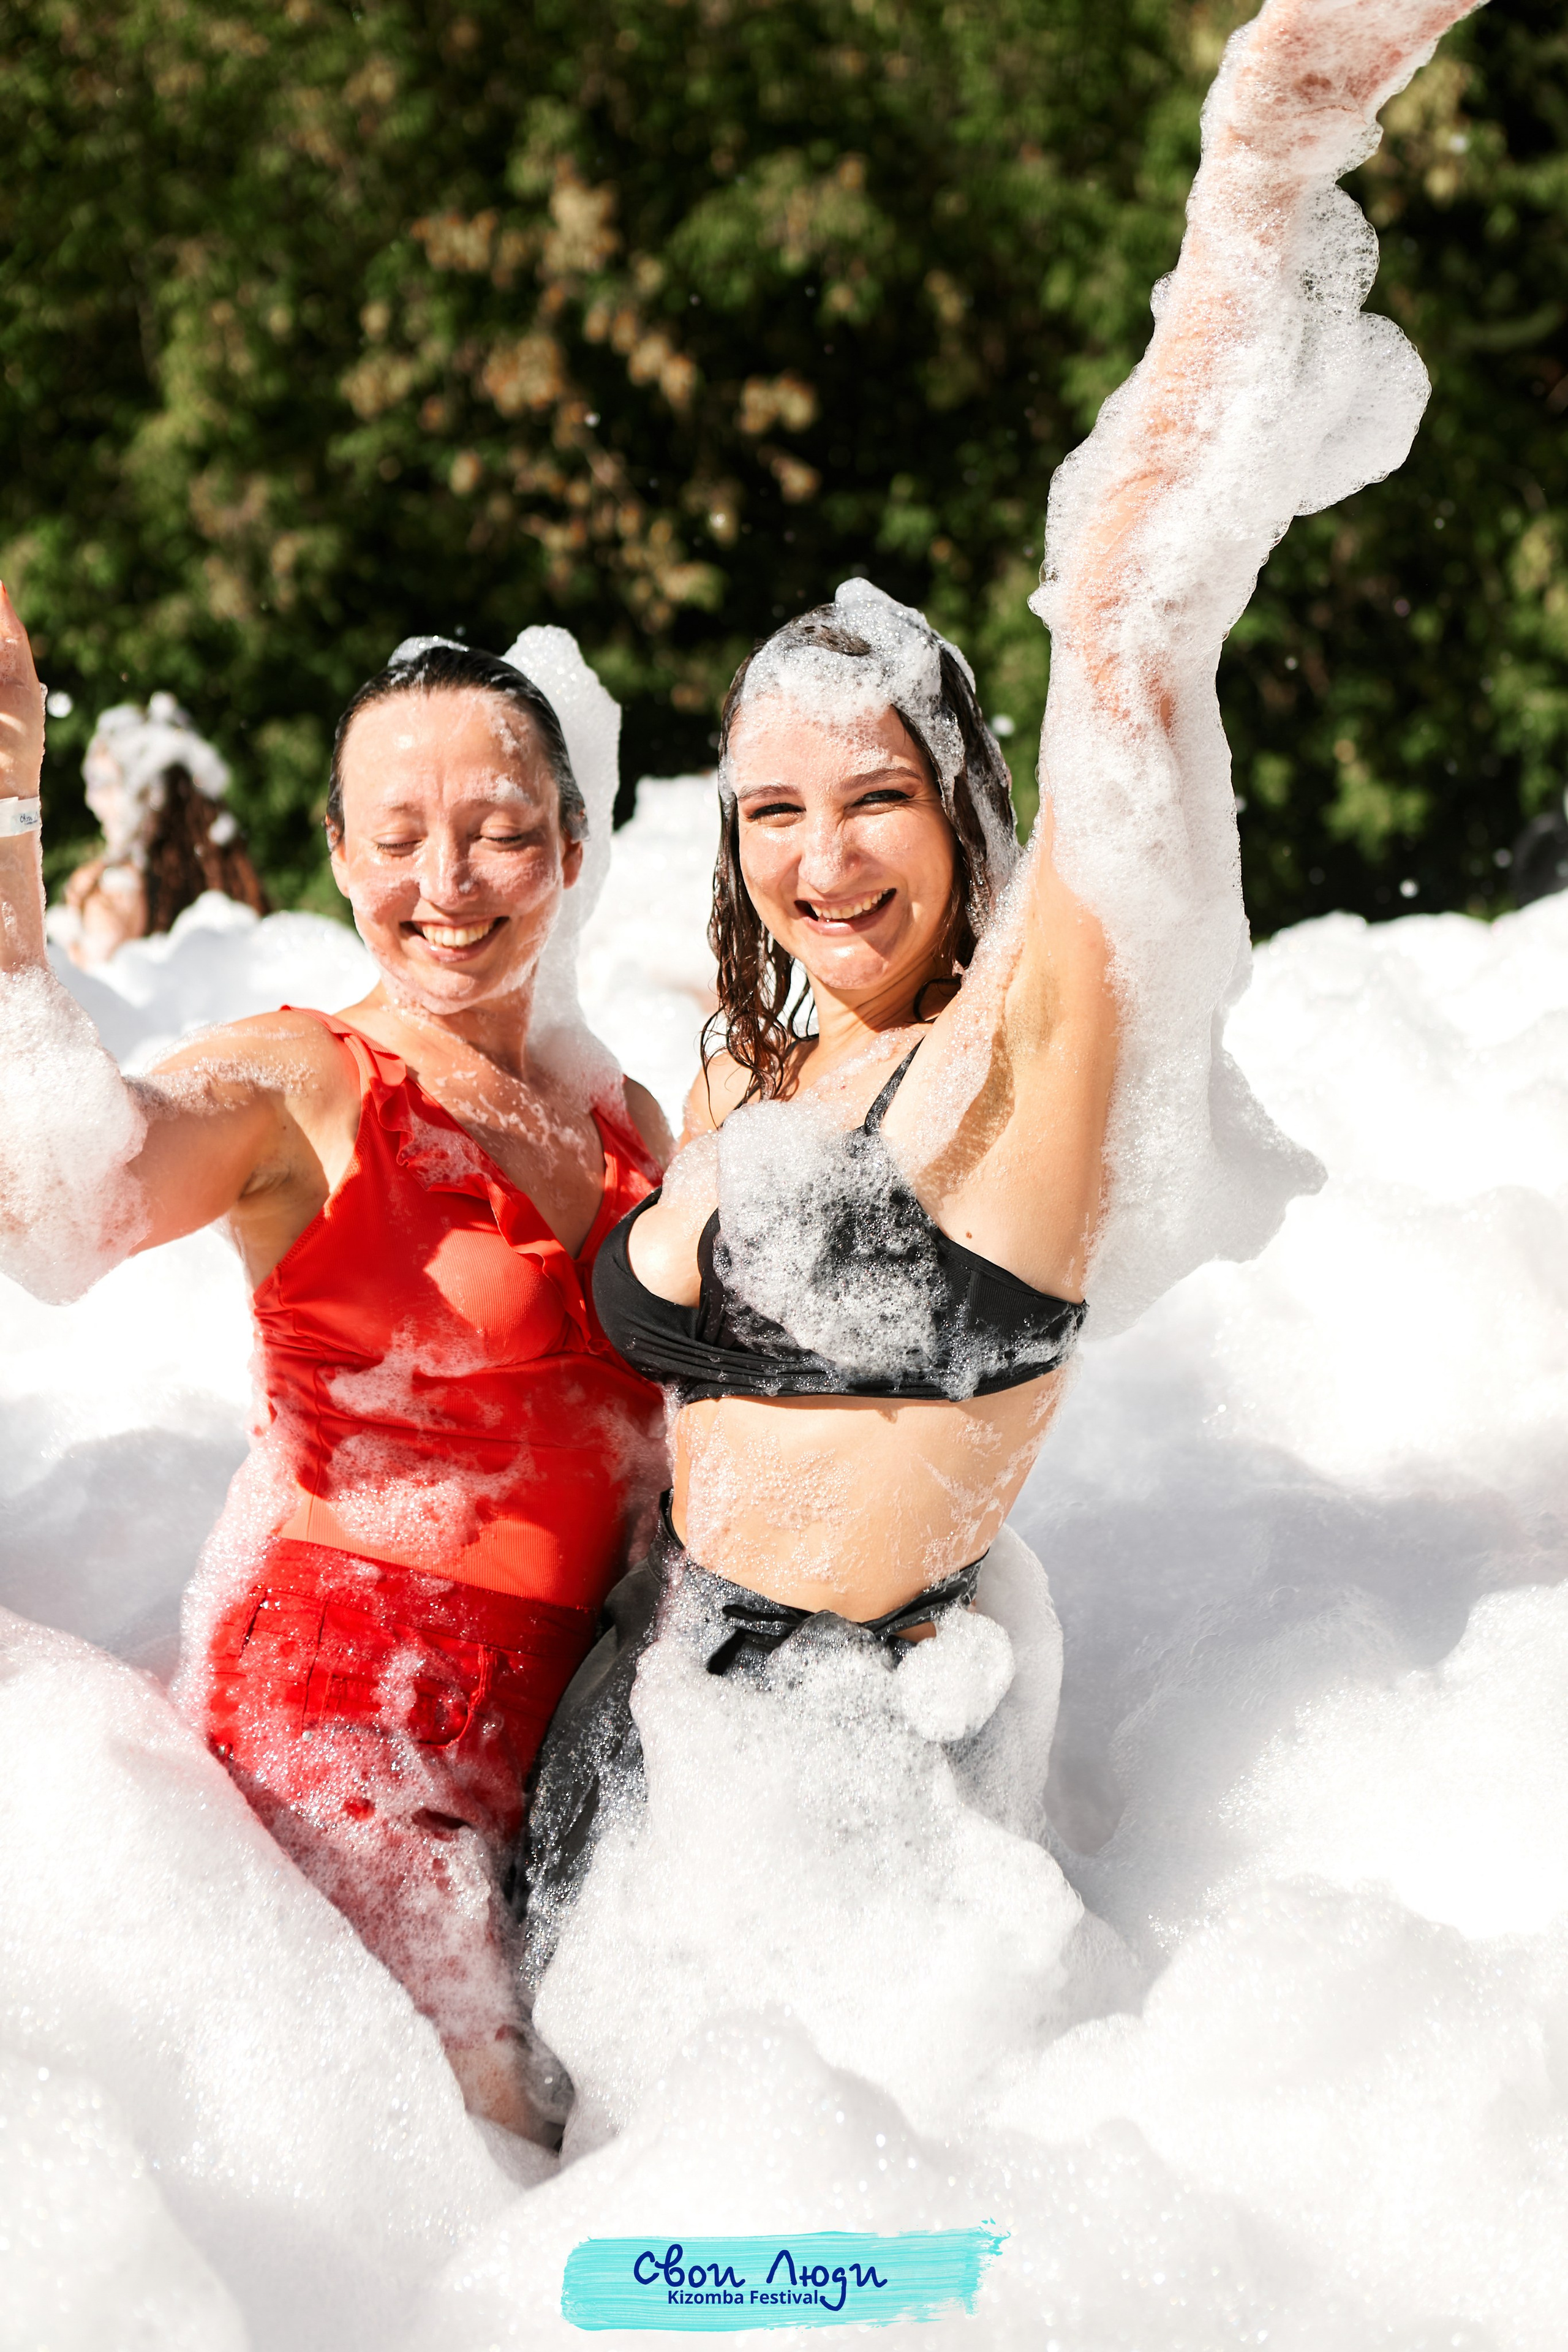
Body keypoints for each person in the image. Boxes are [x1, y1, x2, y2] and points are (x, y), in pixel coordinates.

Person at [517, 0, 1477, 2052]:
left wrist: (1261, 165)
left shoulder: (1024, 1066)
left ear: (967, 814)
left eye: (877, 797)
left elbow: (1128, 612)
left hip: (866, 1825)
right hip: (645, 1762)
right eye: (775, 809)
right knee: (594, 2283)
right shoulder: (746, 1068)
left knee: (850, 2280)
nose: (824, 859)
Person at [0, 616, 670, 2139]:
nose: (445, 884)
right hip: (348, 1718)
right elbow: (53, 1195)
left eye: (500, 832)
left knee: (617, 2141)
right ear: (333, 849)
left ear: (571, 842)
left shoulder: (621, 1113)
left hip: (577, 1733)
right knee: (468, 2161)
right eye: (396, 837)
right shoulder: (306, 1083)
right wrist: (7, 826)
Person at [51, 691, 270, 968]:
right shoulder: (232, 882)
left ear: (152, 796)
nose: (92, 800)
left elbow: (87, 990)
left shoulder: (108, 891)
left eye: (104, 783)